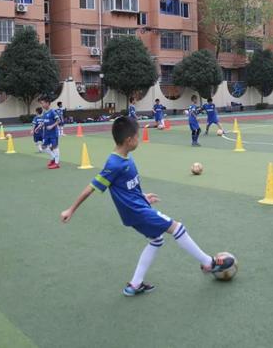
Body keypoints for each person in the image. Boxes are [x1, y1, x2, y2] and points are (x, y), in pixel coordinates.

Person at [59, 116, 235, 296]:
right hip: (137, 212)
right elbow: (91, 188)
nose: (139, 140)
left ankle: (135, 285)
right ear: (129, 140)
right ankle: (209, 263)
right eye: (136, 137)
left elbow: (126, 187)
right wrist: (71, 209)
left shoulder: (126, 157)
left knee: (156, 240)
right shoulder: (114, 164)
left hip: (138, 207)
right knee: (178, 228)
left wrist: (143, 196)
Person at [39, 95, 62, 169]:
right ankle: (53, 158)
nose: (42, 105)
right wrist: (40, 126)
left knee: (55, 147)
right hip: (46, 134)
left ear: (48, 103)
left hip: (53, 133)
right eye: (41, 103)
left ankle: (57, 163)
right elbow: (44, 122)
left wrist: (52, 126)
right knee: (43, 147)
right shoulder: (44, 113)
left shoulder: (52, 112)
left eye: (43, 103)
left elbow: (58, 120)